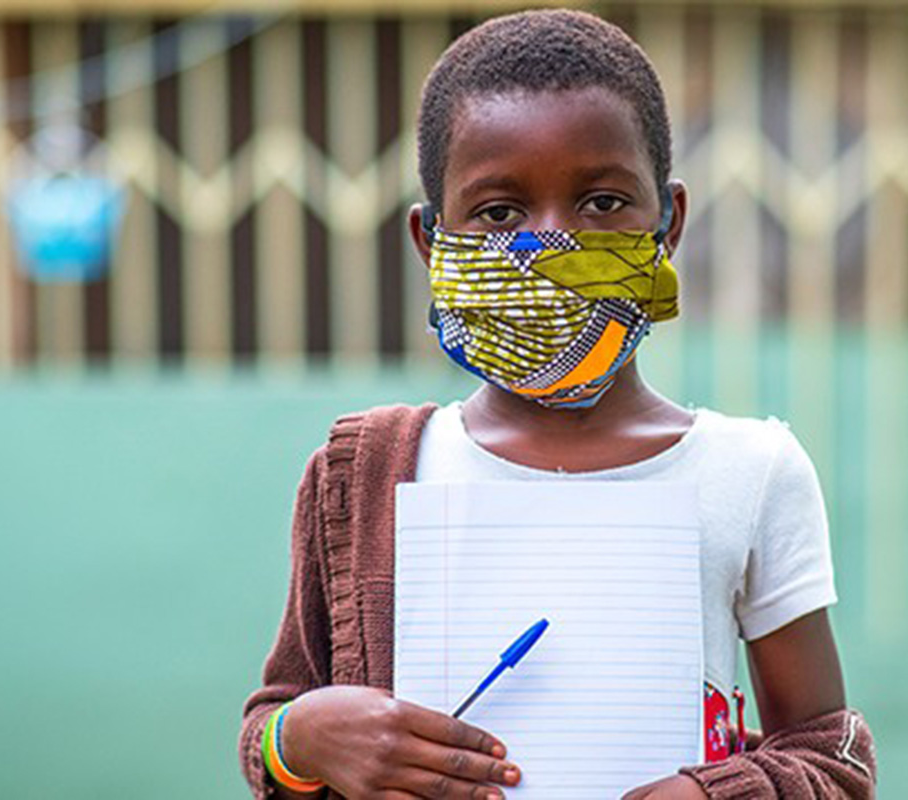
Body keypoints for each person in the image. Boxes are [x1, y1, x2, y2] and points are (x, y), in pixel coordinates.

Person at [239, 9, 876, 799]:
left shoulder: (751, 471)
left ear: (668, 223)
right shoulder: (360, 478)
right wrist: (295, 739)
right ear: (432, 244)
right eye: (499, 213)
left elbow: (831, 760)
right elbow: (275, 728)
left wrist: (715, 795)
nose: (551, 249)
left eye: (602, 204)